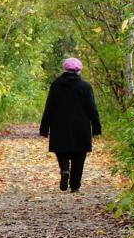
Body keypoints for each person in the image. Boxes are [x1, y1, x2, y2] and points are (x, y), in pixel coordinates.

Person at [39, 57, 102, 192]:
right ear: (79, 70)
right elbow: (92, 108)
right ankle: (75, 186)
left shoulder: (56, 85)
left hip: (59, 126)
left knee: (61, 150)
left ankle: (65, 169)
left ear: (64, 69)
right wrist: (96, 127)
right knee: (79, 156)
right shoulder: (85, 87)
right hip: (81, 127)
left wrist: (44, 129)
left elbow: (49, 107)